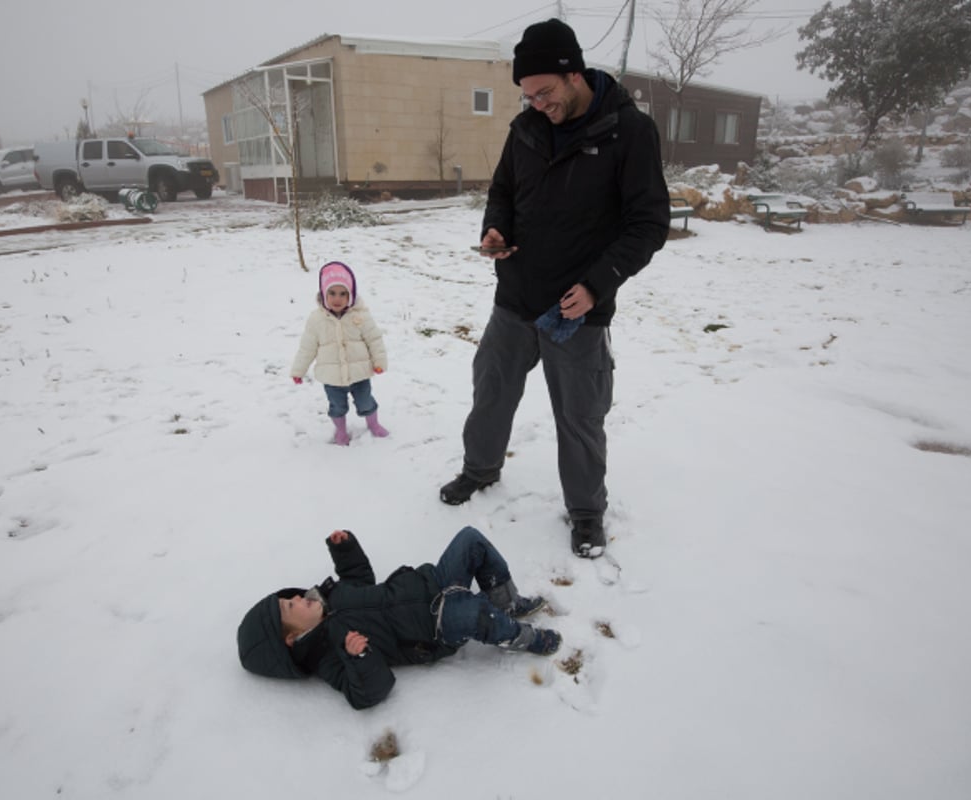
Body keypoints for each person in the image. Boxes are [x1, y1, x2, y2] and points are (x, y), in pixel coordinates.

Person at [440, 18, 671, 559]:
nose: (537, 104)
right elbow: (502, 191)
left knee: (580, 414)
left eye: (545, 92)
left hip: (575, 307)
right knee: (491, 390)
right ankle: (480, 469)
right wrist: (495, 229)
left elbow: (648, 223)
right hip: (516, 296)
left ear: (573, 73)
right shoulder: (525, 129)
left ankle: (587, 510)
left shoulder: (628, 132)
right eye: (528, 95)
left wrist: (597, 286)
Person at [237, 527, 562, 710]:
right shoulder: (328, 658)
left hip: (432, 581)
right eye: (290, 608)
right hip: (435, 626)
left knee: (470, 540)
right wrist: (359, 657)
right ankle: (523, 637)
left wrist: (345, 549)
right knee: (473, 612)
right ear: (292, 639)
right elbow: (368, 692)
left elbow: (359, 577)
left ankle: (507, 602)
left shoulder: (331, 595)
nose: (296, 598)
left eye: (289, 597)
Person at [290, 260, 389, 445]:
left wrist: (379, 362)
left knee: (366, 402)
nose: (337, 299)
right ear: (323, 294)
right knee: (337, 407)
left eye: (343, 294)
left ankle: (373, 424)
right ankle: (341, 431)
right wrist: (298, 371)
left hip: (359, 374)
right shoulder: (316, 320)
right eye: (332, 293)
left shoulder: (360, 316)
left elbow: (374, 339)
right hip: (332, 378)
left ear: (351, 295)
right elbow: (307, 347)